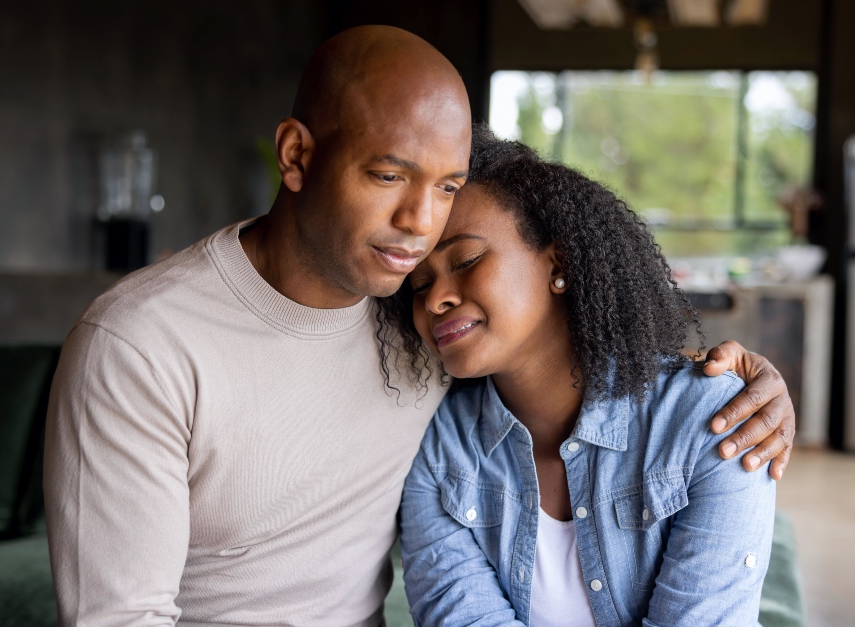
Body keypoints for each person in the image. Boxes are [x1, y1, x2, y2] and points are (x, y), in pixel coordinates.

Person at [43, 26, 794, 627]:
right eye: (388, 175)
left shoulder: (414, 325)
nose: (418, 226)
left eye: (447, 188)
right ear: (297, 156)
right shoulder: (142, 343)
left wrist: (754, 385)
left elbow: (587, 364)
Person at [390, 127, 775, 626]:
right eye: (419, 283)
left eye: (465, 261)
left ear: (560, 263)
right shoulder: (443, 448)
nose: (435, 299)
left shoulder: (714, 421)